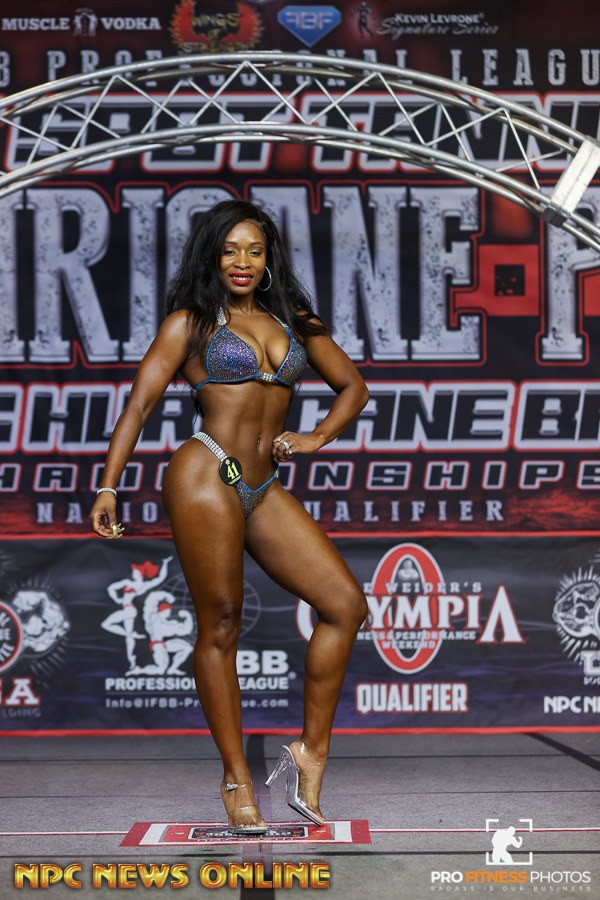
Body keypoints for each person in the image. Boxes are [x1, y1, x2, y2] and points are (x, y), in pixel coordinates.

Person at [89, 199, 369, 835]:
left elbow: (354, 387)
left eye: (255, 250)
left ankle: (310, 753)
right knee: (221, 623)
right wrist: (109, 486)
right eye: (230, 250)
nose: (242, 261)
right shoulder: (189, 324)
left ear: (269, 260)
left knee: (345, 605)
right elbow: (138, 407)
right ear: (212, 257)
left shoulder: (295, 320)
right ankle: (236, 778)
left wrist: (315, 437)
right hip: (207, 472)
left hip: (260, 483)